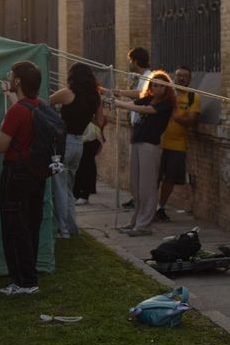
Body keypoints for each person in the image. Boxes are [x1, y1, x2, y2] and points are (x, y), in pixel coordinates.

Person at [0, 61, 47, 295]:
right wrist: (8, 95)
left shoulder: (16, 112)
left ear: (18, 82)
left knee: (14, 227)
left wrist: (3, 126)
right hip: (36, 173)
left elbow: (0, 145)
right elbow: (23, 111)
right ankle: (30, 277)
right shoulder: (40, 106)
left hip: (15, 172)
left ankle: (22, 281)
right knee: (30, 225)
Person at [111, 70, 176, 236]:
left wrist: (119, 104)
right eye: (155, 85)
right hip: (138, 143)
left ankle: (144, 225)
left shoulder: (166, 102)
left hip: (150, 146)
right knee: (136, 186)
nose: (158, 88)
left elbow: (146, 109)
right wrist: (118, 93)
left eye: (162, 86)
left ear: (167, 88)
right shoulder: (149, 97)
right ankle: (136, 222)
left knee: (147, 187)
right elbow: (137, 97)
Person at [49, 62, 106, 239]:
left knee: (59, 188)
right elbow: (100, 121)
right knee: (68, 188)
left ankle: (63, 230)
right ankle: (72, 227)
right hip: (79, 144)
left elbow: (44, 103)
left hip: (63, 144)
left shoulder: (67, 93)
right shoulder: (96, 96)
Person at [156, 66, 201, 222]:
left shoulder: (193, 97)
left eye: (185, 76)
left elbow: (190, 121)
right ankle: (148, 207)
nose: (181, 79)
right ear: (174, 78)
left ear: (189, 80)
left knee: (170, 179)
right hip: (158, 142)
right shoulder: (166, 95)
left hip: (178, 145)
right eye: (179, 76)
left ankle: (160, 208)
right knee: (154, 177)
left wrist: (175, 116)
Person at [115, 47, 153, 209]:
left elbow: (141, 95)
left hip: (144, 129)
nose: (129, 64)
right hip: (137, 127)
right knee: (136, 170)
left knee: (144, 171)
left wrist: (120, 93)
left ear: (136, 61)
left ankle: (144, 202)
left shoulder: (149, 77)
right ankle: (137, 199)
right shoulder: (141, 77)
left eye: (131, 60)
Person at [74, 122, 104, 205]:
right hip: (80, 134)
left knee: (85, 165)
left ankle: (83, 193)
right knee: (81, 165)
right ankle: (77, 193)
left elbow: (100, 119)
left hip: (88, 135)